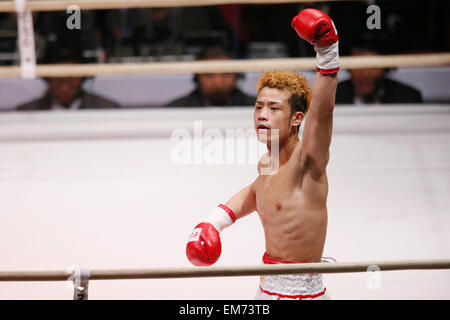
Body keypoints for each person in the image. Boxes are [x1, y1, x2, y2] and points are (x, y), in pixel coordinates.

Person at [186, 8, 339, 300]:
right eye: (258, 106)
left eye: (273, 108)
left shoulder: (308, 162)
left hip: (302, 294)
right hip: (267, 286)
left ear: (296, 118)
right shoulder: (268, 162)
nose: (262, 115)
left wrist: (328, 54)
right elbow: (257, 193)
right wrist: (214, 222)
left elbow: (322, 113)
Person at [16, 47, 120, 111]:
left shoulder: (107, 109)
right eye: (58, 78)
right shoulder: (26, 113)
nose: (64, 87)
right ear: (47, 78)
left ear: (83, 77)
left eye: (71, 78)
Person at [335, 33, 423, 104]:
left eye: (373, 66)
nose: (365, 74)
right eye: (358, 66)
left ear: (386, 68)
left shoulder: (407, 97)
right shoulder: (332, 97)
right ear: (348, 67)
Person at [165, 46, 255, 107]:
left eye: (226, 74)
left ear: (237, 76)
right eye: (208, 75)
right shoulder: (177, 110)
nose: (218, 83)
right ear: (197, 78)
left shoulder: (255, 108)